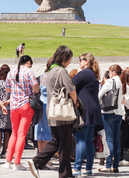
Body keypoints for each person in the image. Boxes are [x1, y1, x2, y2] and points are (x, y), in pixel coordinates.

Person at [28, 46, 78, 178]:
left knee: (58, 142)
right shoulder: (61, 71)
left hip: (53, 111)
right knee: (64, 144)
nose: (69, 62)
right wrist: (76, 102)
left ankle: (65, 173)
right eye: (69, 59)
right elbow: (71, 90)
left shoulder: (50, 71)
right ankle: (38, 161)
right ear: (64, 58)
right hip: (62, 113)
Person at [2, 54, 39, 170]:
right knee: (22, 134)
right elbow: (36, 88)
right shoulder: (29, 72)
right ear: (28, 62)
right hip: (25, 105)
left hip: (14, 105)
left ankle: (8, 160)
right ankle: (16, 162)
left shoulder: (11, 72)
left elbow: (7, 89)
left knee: (14, 133)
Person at [72, 53, 103, 176]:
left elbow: (71, 85)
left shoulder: (84, 73)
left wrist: (79, 71)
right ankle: (88, 168)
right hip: (93, 110)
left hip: (85, 110)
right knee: (89, 140)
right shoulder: (92, 75)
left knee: (81, 139)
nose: (79, 63)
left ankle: (77, 167)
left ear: (87, 61)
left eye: (81, 60)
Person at [98, 64, 124, 173]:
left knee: (109, 139)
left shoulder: (110, 81)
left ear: (113, 72)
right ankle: (115, 166)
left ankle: (108, 165)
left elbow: (99, 94)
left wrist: (101, 102)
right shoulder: (120, 83)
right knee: (116, 140)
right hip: (118, 113)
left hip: (108, 111)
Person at [34, 58, 54, 170]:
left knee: (40, 134)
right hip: (48, 104)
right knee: (47, 133)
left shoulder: (41, 76)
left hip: (40, 104)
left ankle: (41, 157)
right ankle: (45, 159)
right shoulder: (52, 76)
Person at [0, 64, 11, 159]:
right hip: (8, 107)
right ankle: (4, 151)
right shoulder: (10, 82)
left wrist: (1, 105)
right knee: (7, 131)